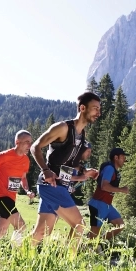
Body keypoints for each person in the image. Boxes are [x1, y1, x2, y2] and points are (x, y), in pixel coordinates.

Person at [30, 92, 101, 257]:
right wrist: (45, 170)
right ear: (82, 108)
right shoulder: (63, 128)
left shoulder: (82, 135)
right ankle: (68, 263)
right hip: (52, 185)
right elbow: (35, 147)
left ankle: (22, 259)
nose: (98, 113)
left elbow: (69, 165)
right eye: (95, 109)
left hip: (58, 185)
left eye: (99, 109)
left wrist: (85, 172)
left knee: (41, 233)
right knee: (80, 225)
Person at [0, 130, 35, 252]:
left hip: (11, 198)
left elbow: (23, 178)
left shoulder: (26, 160)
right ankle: (16, 254)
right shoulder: (4, 156)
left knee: (1, 231)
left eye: (30, 143)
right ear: (17, 142)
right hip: (1, 196)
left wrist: (27, 191)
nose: (29, 146)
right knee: (21, 226)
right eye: (26, 142)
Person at [88, 147, 129, 240]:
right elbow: (104, 186)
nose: (124, 159)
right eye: (122, 157)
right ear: (116, 157)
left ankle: (100, 242)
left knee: (120, 225)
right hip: (99, 204)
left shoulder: (113, 169)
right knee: (93, 235)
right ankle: (87, 248)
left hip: (107, 205)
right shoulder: (109, 169)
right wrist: (122, 190)